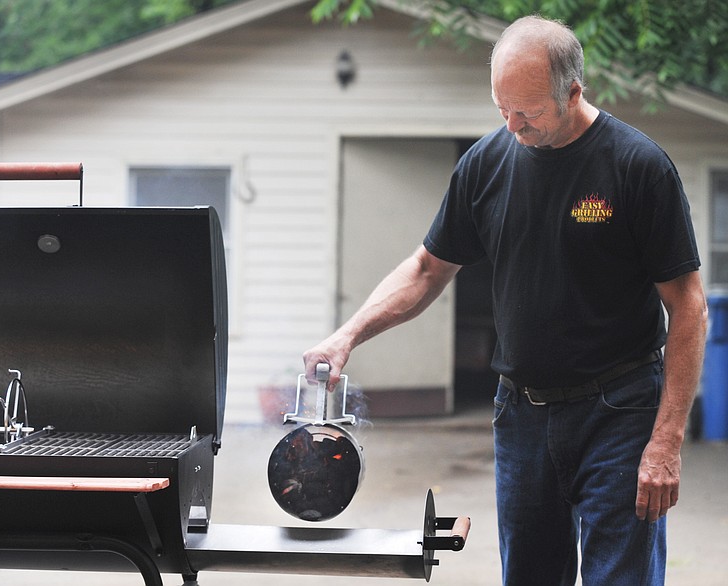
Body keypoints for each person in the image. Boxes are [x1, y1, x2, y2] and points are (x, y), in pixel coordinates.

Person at [302, 15, 708, 586]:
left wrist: (666, 442)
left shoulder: (637, 168)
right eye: (502, 109)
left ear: (573, 91)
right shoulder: (486, 165)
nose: (514, 125)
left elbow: (689, 307)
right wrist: (348, 335)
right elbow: (426, 269)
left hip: (619, 410)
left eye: (530, 111)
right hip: (521, 413)